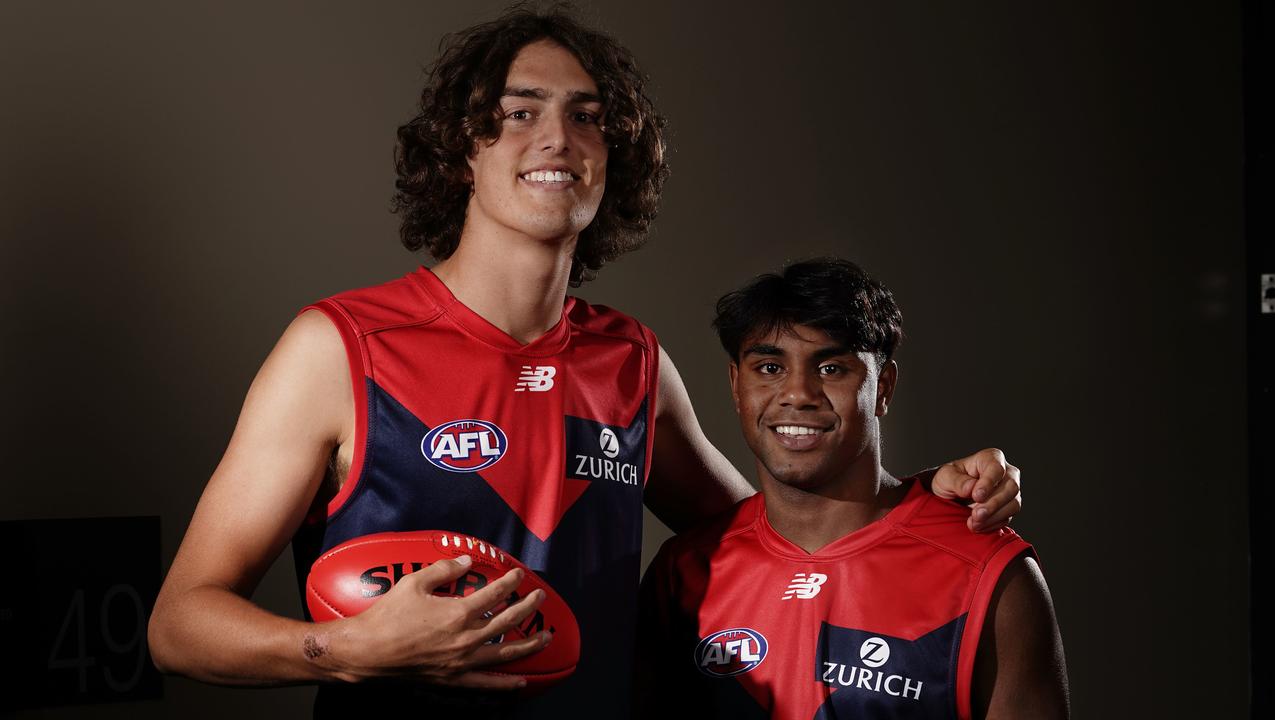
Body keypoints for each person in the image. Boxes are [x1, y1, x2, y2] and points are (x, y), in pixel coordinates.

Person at [146, 7, 1024, 718]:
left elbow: (775, 538)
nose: (557, 138)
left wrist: (919, 499)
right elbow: (179, 626)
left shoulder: (629, 360)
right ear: (463, 148)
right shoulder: (340, 347)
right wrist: (343, 653)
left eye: (588, 116)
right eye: (521, 111)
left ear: (618, 155)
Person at [636, 258, 1068, 719]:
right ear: (736, 386)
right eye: (768, 367)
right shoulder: (683, 572)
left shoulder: (988, 573)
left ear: (883, 387)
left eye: (831, 369)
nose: (798, 393)